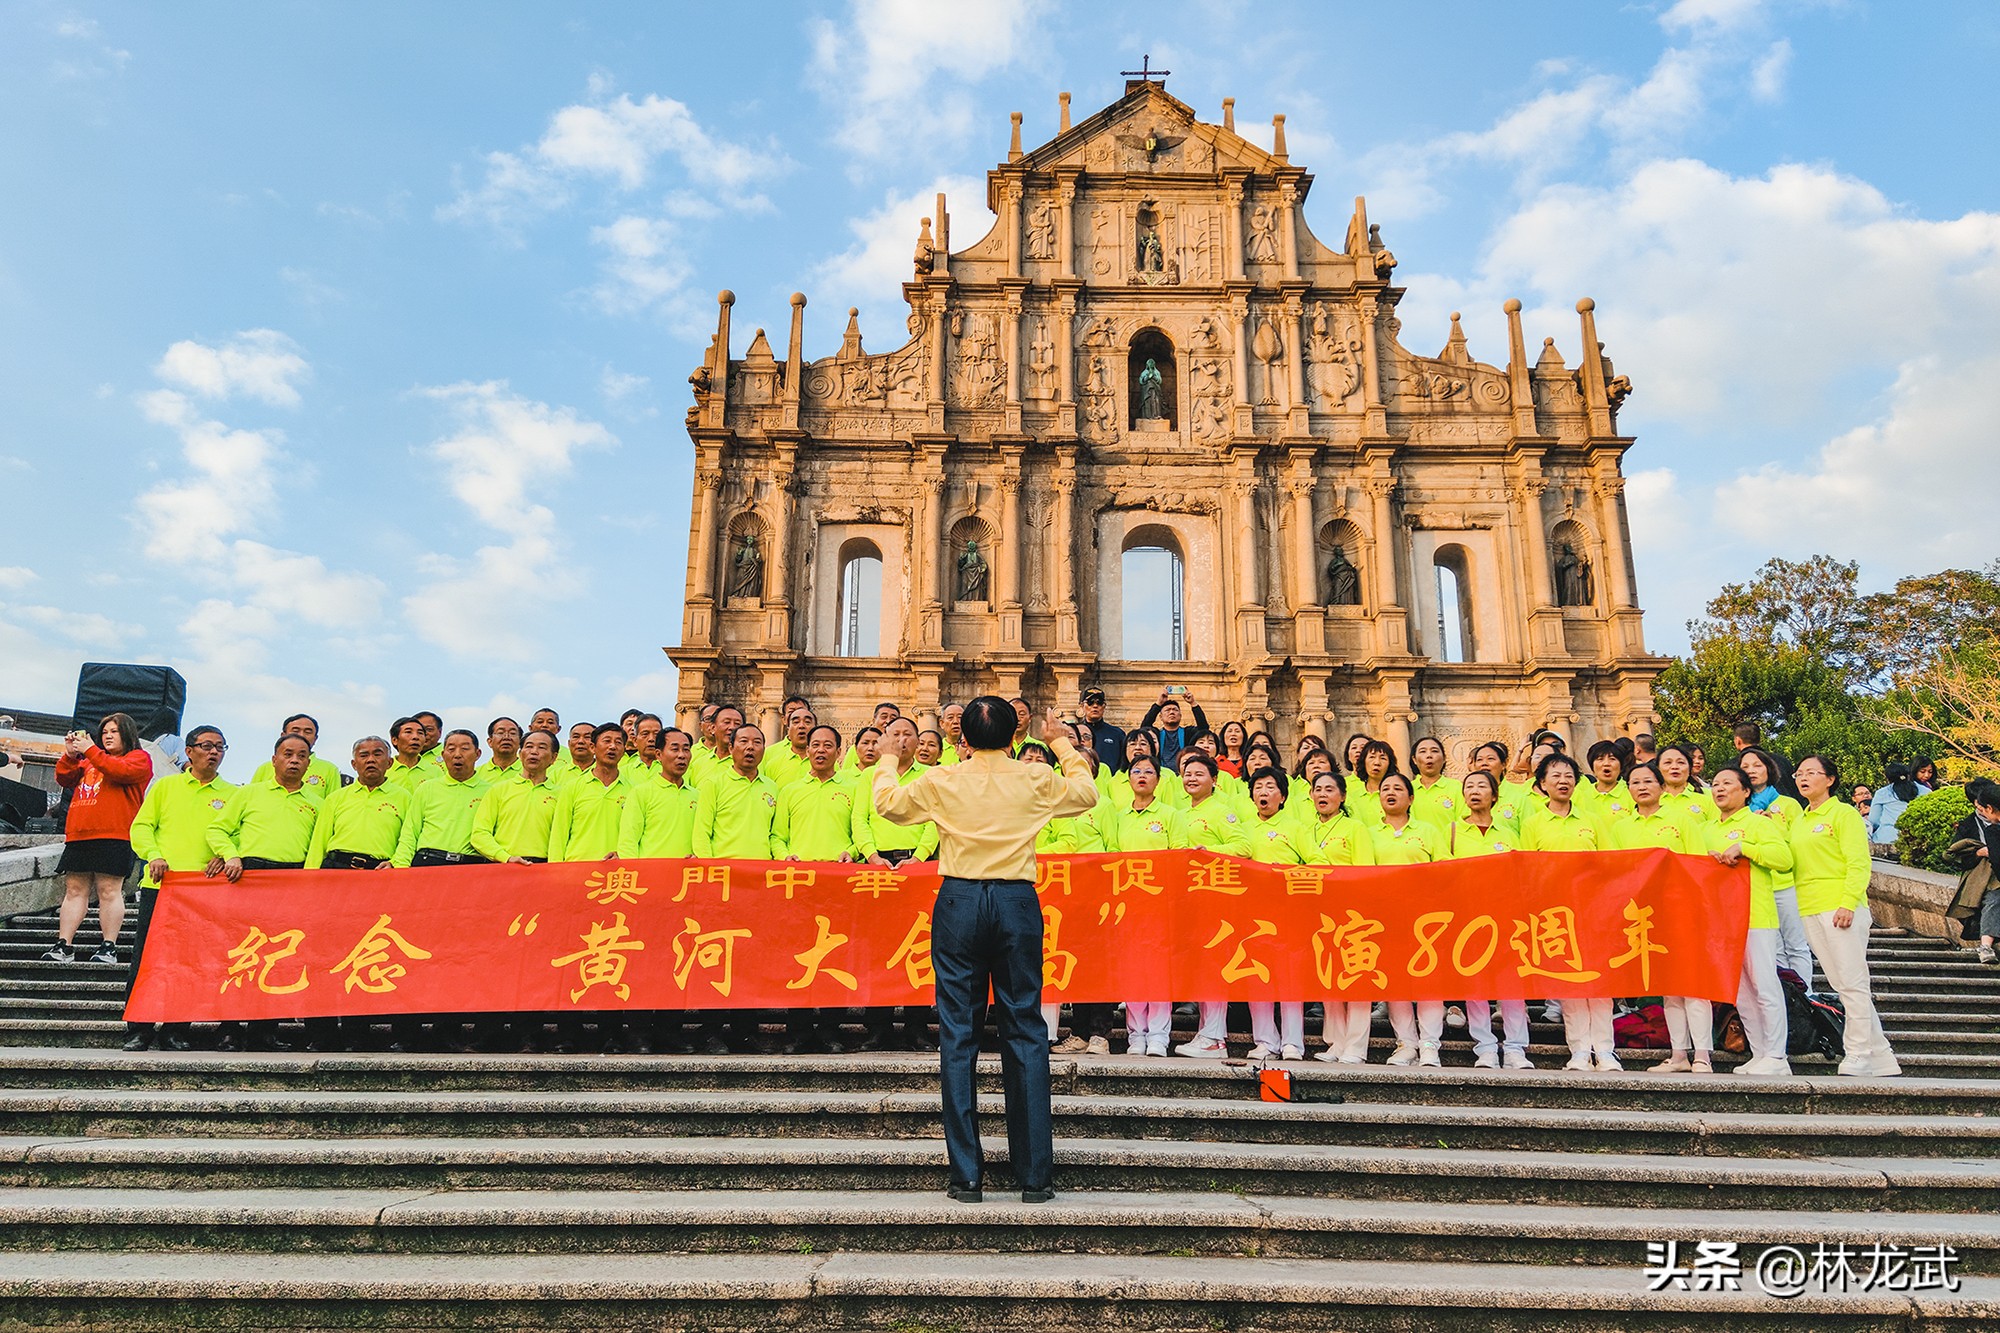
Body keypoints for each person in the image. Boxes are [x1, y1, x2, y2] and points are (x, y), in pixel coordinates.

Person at [870, 697, 1097, 1205]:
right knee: (1025, 1029)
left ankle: (966, 1177)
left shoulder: (943, 779)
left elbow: (888, 805)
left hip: (961, 899)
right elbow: (1085, 794)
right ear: (1015, 735)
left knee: (959, 1033)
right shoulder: (1033, 777)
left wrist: (888, 757)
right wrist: (1061, 740)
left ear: (963, 739)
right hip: (1016, 900)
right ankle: (1035, 1176)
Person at [205, 733, 321, 1051]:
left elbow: (320, 846)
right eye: (287, 754)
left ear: (309, 762)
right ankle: (228, 1030)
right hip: (250, 878)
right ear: (274, 759)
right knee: (242, 954)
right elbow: (217, 828)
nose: (294, 760)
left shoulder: (318, 804)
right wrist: (231, 854)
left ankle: (264, 1032)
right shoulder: (250, 794)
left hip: (295, 881)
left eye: (301, 755)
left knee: (278, 957)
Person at [1789, 754, 1900, 1077]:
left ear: (1830, 779)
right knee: (1841, 981)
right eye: (1799, 773)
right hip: (1809, 906)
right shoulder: (1800, 820)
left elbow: (1858, 861)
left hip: (1840, 907)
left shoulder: (1843, 814)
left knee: (1852, 982)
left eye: (1811, 773)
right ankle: (1881, 1054)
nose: (1803, 778)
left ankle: (1858, 1051)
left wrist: (1848, 902)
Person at [123, 723, 232, 1051]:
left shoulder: (234, 794)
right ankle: (138, 1029)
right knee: (147, 959)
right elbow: (142, 826)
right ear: (189, 751)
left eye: (220, 746)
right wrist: (153, 855)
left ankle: (175, 1028)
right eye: (206, 746)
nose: (213, 752)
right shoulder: (165, 787)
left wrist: (227, 856)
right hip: (162, 886)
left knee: (190, 963)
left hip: (204, 891)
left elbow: (239, 835)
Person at [1521, 751, 1619, 1071]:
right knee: (1569, 983)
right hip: (1555, 914)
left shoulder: (1593, 820)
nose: (1563, 781)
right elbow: (1527, 870)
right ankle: (1578, 1050)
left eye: (1569, 776)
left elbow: (1609, 864)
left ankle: (1605, 1050)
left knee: (1600, 982)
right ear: (1542, 784)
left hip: (1592, 910)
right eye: (1555, 776)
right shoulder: (1533, 823)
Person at [1611, 763, 1710, 1074]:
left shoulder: (1681, 820)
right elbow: (1616, 872)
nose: (1641, 787)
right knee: (1669, 988)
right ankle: (1679, 1054)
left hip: (1682, 908)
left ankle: (1703, 1055)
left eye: (1648, 781)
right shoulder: (1621, 827)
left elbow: (1699, 864)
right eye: (1635, 782)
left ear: (1661, 785)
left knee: (1694, 984)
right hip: (1644, 916)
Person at [1704, 764, 1795, 1076]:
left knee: (1765, 985)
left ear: (1745, 792)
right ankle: (1759, 1053)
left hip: (1756, 915)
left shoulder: (1757, 824)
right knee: (1740, 991)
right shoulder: (1707, 829)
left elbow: (1784, 860)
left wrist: (1745, 848)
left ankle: (1777, 1055)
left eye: (1728, 783)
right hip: (1722, 920)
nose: (1719, 788)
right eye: (1715, 783)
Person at [45, 712, 152, 965]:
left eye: (114, 731)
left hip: (115, 834)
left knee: (109, 889)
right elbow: (65, 778)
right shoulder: (90, 761)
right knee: (74, 889)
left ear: (127, 733)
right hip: (80, 833)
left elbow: (119, 771)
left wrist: (91, 749)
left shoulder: (138, 758)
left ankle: (109, 945)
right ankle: (64, 944)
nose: (108, 736)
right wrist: (71, 755)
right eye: (104, 732)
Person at [1447, 770, 1532, 1069]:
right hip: (1469, 919)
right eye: (1469, 786)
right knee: (1476, 985)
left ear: (1494, 795)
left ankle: (1515, 1049)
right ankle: (1484, 1046)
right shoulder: (1453, 831)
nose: (1475, 790)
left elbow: (1522, 876)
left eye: (1482, 786)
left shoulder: (1508, 834)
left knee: (1511, 986)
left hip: (1505, 917)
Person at [1104, 755, 1183, 1056]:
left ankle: (1159, 1035)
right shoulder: (1120, 815)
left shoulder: (1170, 815)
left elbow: (1178, 855)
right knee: (1134, 968)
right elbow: (1111, 855)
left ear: (1158, 780)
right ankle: (1136, 1034)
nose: (1142, 776)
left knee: (1159, 968)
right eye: (1136, 771)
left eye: (1149, 771)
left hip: (1160, 902)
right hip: (1128, 903)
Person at [1370, 772, 1448, 1066]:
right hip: (1386, 917)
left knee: (1428, 980)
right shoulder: (1370, 833)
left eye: (1398, 789)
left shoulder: (1427, 831)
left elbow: (1442, 869)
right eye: (1385, 789)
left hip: (1424, 916)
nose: (1391, 793)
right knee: (1396, 983)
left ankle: (1429, 1044)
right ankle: (1406, 1043)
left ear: (1411, 798)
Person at [1301, 771, 1378, 1064]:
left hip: (1351, 913)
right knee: (1328, 978)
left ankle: (1356, 1046)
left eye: (1330, 789)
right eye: (1317, 789)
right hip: (1319, 914)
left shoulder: (1354, 828)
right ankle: (1335, 1041)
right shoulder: (1306, 830)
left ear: (1342, 796)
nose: (1323, 794)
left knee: (1356, 978)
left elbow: (1365, 871)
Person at [1740, 747, 1813, 981]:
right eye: (1745, 767)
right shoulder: (1740, 808)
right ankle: (1787, 997)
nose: (1751, 771)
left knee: (1796, 943)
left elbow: (1799, 844)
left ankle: (1806, 996)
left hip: (1786, 883)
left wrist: (1772, 827)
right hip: (1757, 886)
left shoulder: (1789, 805)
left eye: (1757, 766)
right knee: (1775, 948)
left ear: (1769, 769)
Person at [306, 737, 409, 870]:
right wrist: (309, 877)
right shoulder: (335, 798)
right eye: (364, 755)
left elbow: (407, 840)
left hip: (379, 870)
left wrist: (395, 863)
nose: (371, 760)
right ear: (354, 764)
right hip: (337, 868)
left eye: (377, 754)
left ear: (389, 763)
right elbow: (318, 844)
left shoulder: (404, 797)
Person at [392, 730, 491, 868]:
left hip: (472, 865)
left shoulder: (490, 791)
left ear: (477, 754)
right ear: (443, 755)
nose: (457, 754)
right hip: (429, 862)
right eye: (451, 749)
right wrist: (400, 866)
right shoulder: (427, 788)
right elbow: (410, 832)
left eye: (465, 749)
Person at [473, 729, 565, 863]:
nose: (534, 752)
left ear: (553, 757)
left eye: (542, 747)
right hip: (503, 865)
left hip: (543, 868)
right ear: (520, 754)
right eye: (529, 746)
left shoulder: (561, 794)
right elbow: (479, 833)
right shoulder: (499, 789)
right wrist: (506, 858)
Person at [550, 724, 632, 863]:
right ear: (593, 747)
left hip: (615, 870)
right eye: (606, 741)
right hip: (576, 868)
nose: (612, 747)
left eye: (618, 743)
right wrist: (554, 870)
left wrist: (623, 855)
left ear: (624, 750)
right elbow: (559, 834)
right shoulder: (573, 787)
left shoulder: (632, 791)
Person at [616, 727, 699, 859]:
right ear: (659, 755)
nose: (682, 755)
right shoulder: (640, 793)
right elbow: (628, 841)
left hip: (686, 875)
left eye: (686, 749)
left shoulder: (697, 796)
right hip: (650, 875)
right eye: (675, 749)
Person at [1952, 781, 2000, 965]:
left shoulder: (1994, 827)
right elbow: (1955, 856)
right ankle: (1985, 945)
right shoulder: (1969, 824)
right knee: (1993, 898)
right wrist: (1977, 853)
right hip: (1982, 874)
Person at [249, 714, 343, 803]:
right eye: (295, 730)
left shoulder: (329, 769)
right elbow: (251, 798)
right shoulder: (265, 768)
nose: (301, 735)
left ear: (315, 738)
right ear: (283, 735)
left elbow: (332, 805)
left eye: (308, 732)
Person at [1140, 690, 1209, 772]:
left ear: (1180, 715)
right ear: (1161, 717)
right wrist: (1158, 704)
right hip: (1161, 774)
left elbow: (1203, 729)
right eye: (1167, 710)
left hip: (1184, 773)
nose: (1171, 712)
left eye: (1175, 710)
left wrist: (1193, 703)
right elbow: (1144, 728)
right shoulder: (1156, 734)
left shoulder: (1188, 733)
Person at [1866, 762, 1928, 851]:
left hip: (1885, 839)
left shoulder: (1882, 793)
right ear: (1908, 775)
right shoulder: (1926, 791)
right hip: (1917, 841)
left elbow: (1874, 820)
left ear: (1888, 779)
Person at [1079, 688, 1125, 774]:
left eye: (1099, 702)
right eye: (1090, 702)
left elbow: (1124, 762)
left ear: (1104, 706)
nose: (1095, 706)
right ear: (1082, 706)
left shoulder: (1116, 734)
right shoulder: (1075, 733)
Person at [477, 717, 524, 783]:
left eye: (512, 733)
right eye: (500, 733)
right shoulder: (476, 774)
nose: (506, 737)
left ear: (520, 742)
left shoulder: (531, 771)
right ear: (490, 741)